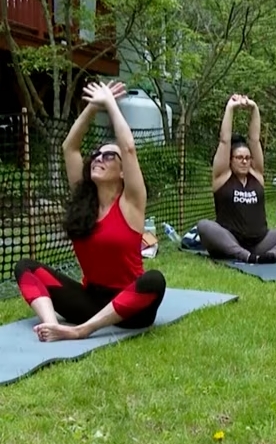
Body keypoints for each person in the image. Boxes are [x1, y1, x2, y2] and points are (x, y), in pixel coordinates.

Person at [14, 81, 166, 342]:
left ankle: (80, 330)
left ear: (122, 172)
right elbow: (69, 148)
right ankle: (52, 325)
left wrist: (110, 104)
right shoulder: (84, 198)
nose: (98, 158)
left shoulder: (131, 202)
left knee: (154, 281)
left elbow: (128, 148)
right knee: (25, 267)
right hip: (90, 300)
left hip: (130, 307)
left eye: (109, 156)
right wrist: (92, 108)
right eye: (96, 154)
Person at [197, 94, 276, 263]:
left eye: (247, 158)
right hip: (229, 241)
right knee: (204, 226)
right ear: (230, 160)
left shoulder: (256, 174)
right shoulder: (222, 176)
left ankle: (273, 255)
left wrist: (254, 108)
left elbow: (255, 139)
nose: (244, 161)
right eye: (239, 158)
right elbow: (224, 141)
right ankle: (244, 256)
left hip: (260, 242)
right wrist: (230, 108)